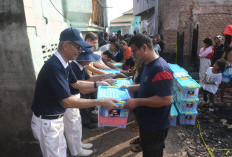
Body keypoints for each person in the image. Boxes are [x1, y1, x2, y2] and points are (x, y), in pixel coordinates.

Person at [31, 27, 118, 157]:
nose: (80, 51)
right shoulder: (54, 67)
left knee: (62, 151)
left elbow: (76, 83)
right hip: (48, 122)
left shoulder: (65, 63)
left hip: (55, 120)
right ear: (65, 45)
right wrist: (101, 101)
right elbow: (68, 101)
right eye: (77, 47)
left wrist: (97, 83)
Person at [121, 34, 173, 157]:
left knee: (153, 153)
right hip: (146, 121)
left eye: (134, 51)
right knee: (147, 150)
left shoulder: (160, 69)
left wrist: (137, 102)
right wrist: (130, 87)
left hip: (156, 124)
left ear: (144, 47)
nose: (133, 54)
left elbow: (166, 99)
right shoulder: (148, 64)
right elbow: (146, 85)